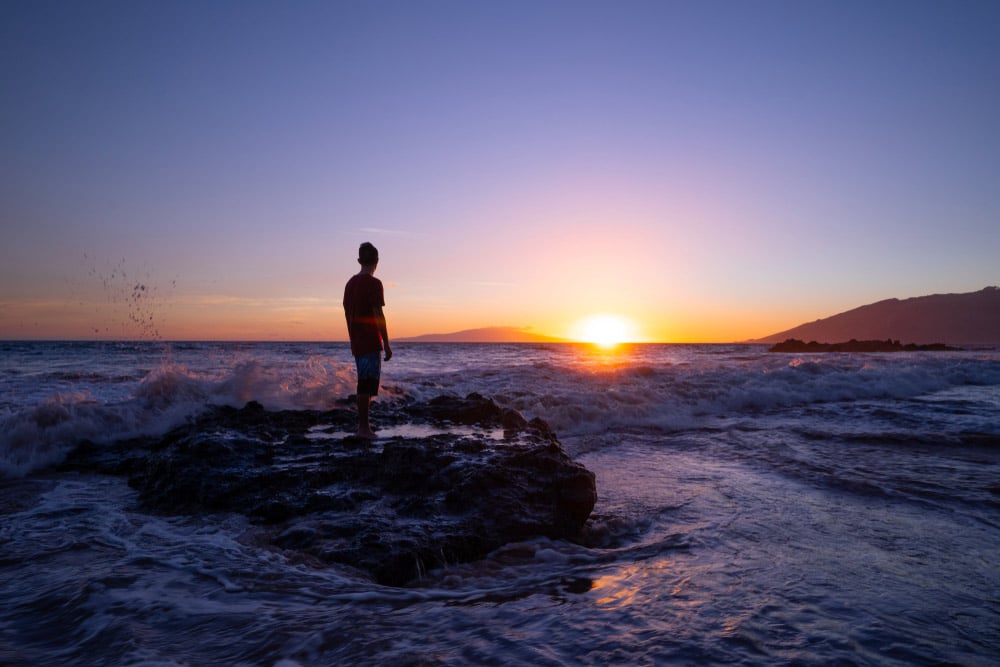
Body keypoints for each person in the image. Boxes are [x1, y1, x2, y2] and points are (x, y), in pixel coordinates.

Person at [343, 242, 392, 438]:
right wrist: (386, 343)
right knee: (366, 384)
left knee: (364, 382)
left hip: (356, 339)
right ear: (377, 261)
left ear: (359, 260)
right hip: (370, 339)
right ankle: (364, 428)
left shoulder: (350, 284)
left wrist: (352, 336)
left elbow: (347, 311)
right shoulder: (374, 283)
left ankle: (364, 426)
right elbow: (378, 313)